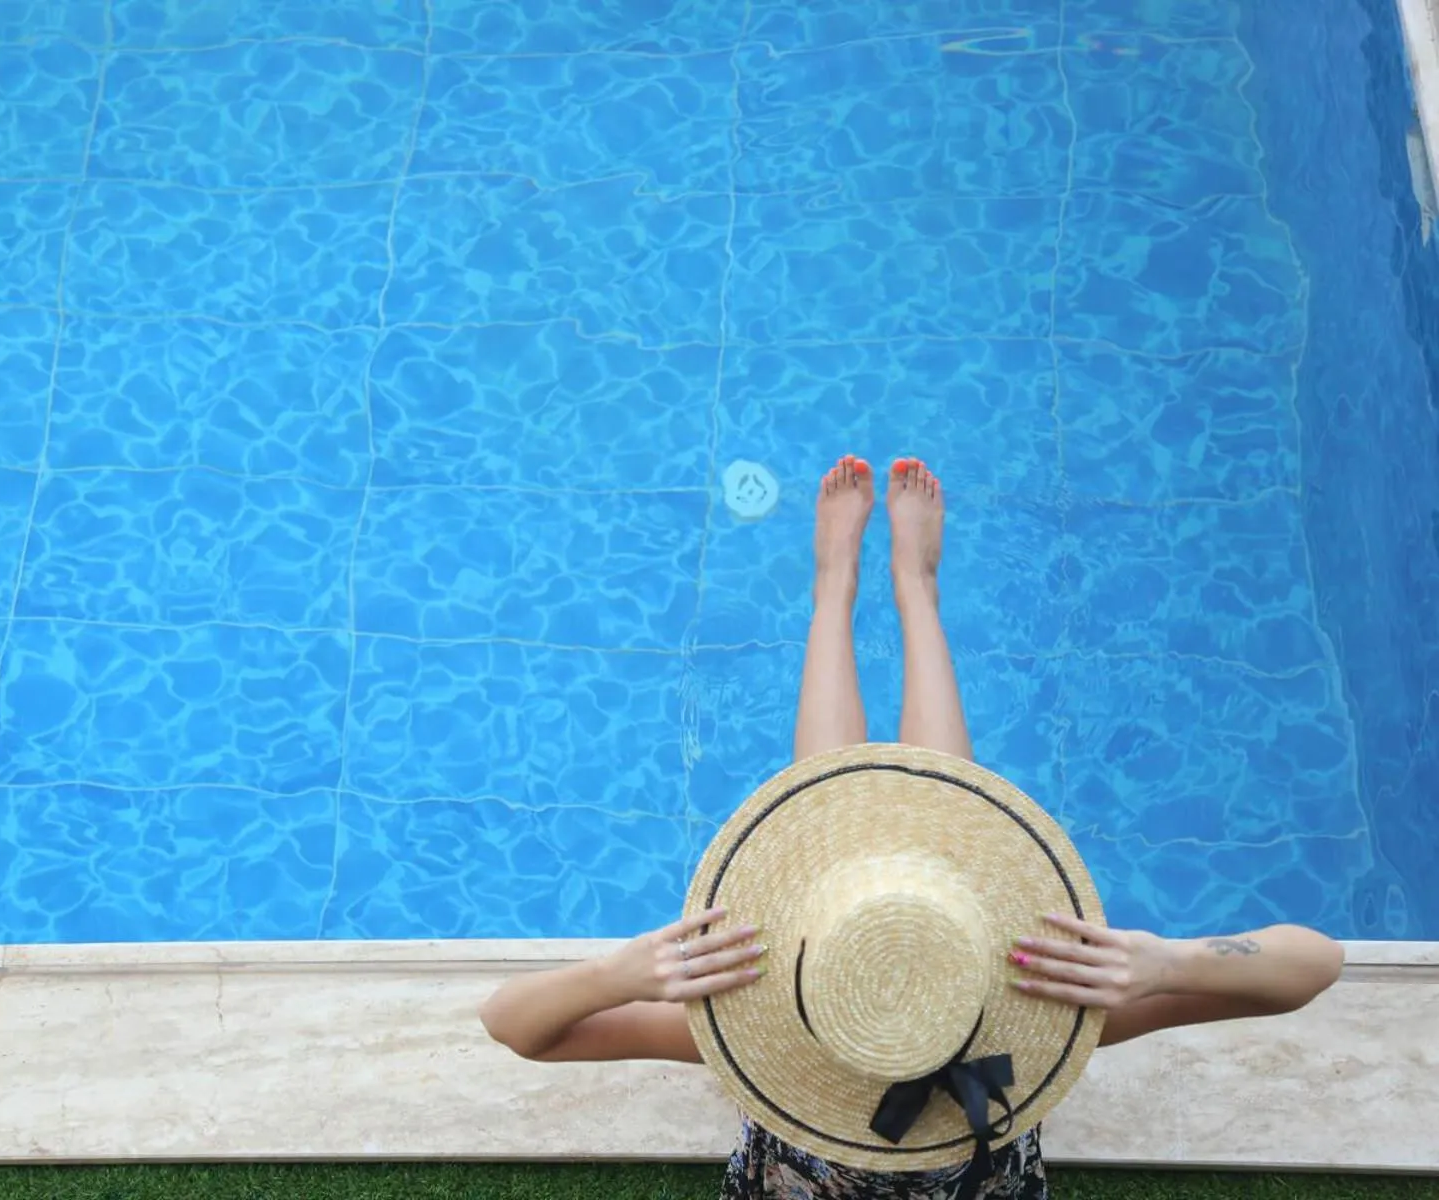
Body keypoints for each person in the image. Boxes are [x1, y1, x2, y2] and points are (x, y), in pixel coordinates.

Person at [479, 457, 1346, 1200]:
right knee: (923, 855)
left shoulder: (765, 1022)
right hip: (942, 997)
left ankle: (836, 589)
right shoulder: (1043, 1012)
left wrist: (620, 971)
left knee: (855, 856)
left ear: (801, 1032)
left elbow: (515, 1025)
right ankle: (915, 590)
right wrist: (1169, 961)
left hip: (859, 1011)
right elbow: (1312, 962)